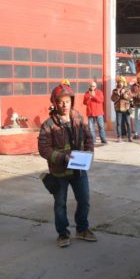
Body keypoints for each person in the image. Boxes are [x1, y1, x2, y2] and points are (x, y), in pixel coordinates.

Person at [38, 82, 96, 247]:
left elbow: (88, 137)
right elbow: (44, 149)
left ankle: (82, 229)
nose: (65, 105)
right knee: (60, 204)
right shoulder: (48, 125)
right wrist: (62, 157)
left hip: (78, 170)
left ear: (72, 101)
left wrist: (89, 153)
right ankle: (63, 234)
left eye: (68, 101)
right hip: (59, 172)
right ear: (55, 103)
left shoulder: (78, 118)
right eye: (61, 101)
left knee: (84, 200)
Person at [111, 76, 132, 142]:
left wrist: (124, 94)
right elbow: (112, 99)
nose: (120, 84)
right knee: (119, 123)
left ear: (124, 83)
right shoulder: (114, 90)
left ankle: (129, 137)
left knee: (128, 123)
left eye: (122, 82)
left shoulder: (127, 90)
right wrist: (117, 94)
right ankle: (119, 137)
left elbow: (130, 98)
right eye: (119, 82)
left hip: (126, 108)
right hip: (118, 109)